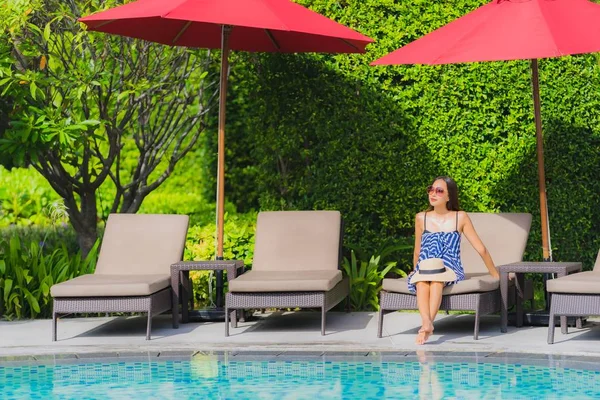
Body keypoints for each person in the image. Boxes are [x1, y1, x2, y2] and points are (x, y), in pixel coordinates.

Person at [408, 176, 498, 345]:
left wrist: (495, 275)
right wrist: (416, 270)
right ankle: (427, 323)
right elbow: (417, 250)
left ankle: (427, 325)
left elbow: (481, 248)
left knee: (436, 282)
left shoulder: (460, 217)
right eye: (431, 189)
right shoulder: (421, 217)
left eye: (439, 191)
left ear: (449, 197)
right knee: (421, 281)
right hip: (425, 265)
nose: (433, 194)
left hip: (449, 266)